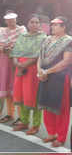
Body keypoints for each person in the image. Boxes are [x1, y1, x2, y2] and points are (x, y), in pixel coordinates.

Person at [37, 16, 72, 147]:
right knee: (47, 105)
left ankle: (61, 137)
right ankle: (51, 133)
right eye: (52, 25)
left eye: (56, 25)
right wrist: (39, 71)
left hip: (60, 78)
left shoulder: (68, 41)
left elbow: (66, 62)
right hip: (45, 77)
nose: (52, 27)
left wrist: (47, 72)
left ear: (64, 27)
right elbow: (40, 56)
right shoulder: (47, 40)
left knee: (61, 108)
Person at [9, 14, 46, 134]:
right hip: (20, 70)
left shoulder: (42, 37)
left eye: (37, 22)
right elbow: (15, 51)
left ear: (40, 24)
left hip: (33, 70)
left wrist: (23, 65)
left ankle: (35, 125)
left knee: (34, 96)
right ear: (27, 23)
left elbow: (38, 55)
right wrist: (16, 64)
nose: (34, 24)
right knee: (21, 94)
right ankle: (24, 122)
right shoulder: (22, 36)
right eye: (32, 22)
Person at [0, 11, 26, 123]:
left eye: (13, 19)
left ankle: (21, 117)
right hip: (5, 61)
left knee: (17, 88)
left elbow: (23, 44)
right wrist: (1, 48)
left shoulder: (22, 30)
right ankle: (10, 114)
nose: (11, 22)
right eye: (8, 20)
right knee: (6, 87)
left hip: (17, 61)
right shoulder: (2, 31)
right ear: (5, 21)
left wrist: (8, 47)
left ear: (16, 19)